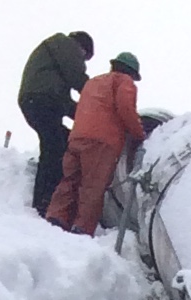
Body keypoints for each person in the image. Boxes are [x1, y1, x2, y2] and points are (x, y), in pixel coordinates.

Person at [48, 52, 142, 236]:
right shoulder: (124, 82)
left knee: (69, 180)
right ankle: (82, 228)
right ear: (131, 72)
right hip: (102, 140)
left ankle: (56, 216)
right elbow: (126, 108)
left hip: (77, 137)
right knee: (93, 186)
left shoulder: (93, 82)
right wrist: (139, 134)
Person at [16, 29, 93, 216]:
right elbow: (78, 78)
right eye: (85, 57)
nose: (83, 62)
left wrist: (86, 115)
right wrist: (98, 95)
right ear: (82, 48)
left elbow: (65, 102)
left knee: (62, 140)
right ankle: (43, 202)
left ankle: (49, 198)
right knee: (53, 149)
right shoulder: (65, 44)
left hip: (38, 101)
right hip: (42, 101)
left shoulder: (53, 68)